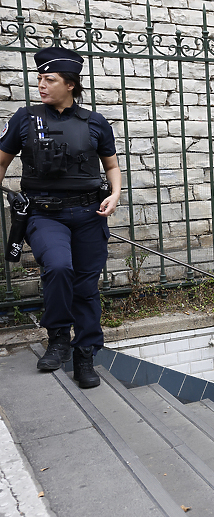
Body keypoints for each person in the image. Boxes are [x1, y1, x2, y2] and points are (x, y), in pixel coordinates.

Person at [0, 47, 121, 388]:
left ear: (70, 84)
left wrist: (114, 194)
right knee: (57, 266)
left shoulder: (95, 122)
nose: (41, 84)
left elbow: (111, 166)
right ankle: (58, 339)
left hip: (88, 214)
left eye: (49, 79)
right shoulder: (24, 119)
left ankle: (85, 354)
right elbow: (2, 161)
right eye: (39, 78)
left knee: (85, 287)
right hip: (43, 214)